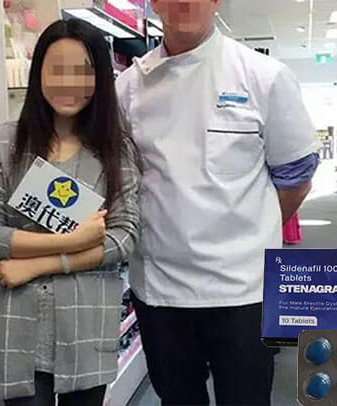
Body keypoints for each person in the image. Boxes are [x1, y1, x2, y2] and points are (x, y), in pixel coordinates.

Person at [116, 0, 319, 404]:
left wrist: (248, 233)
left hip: (243, 292)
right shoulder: (127, 88)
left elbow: (296, 178)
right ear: (153, 3)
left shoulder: (263, 76)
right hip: (160, 291)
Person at [0, 19, 139, 406]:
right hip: (15, 322)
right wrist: (74, 240)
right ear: (38, 73)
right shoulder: (3, 143)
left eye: (83, 71)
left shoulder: (116, 150)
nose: (69, 83)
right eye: (57, 69)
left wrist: (36, 265)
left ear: (100, 78)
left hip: (84, 320)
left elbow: (124, 236)